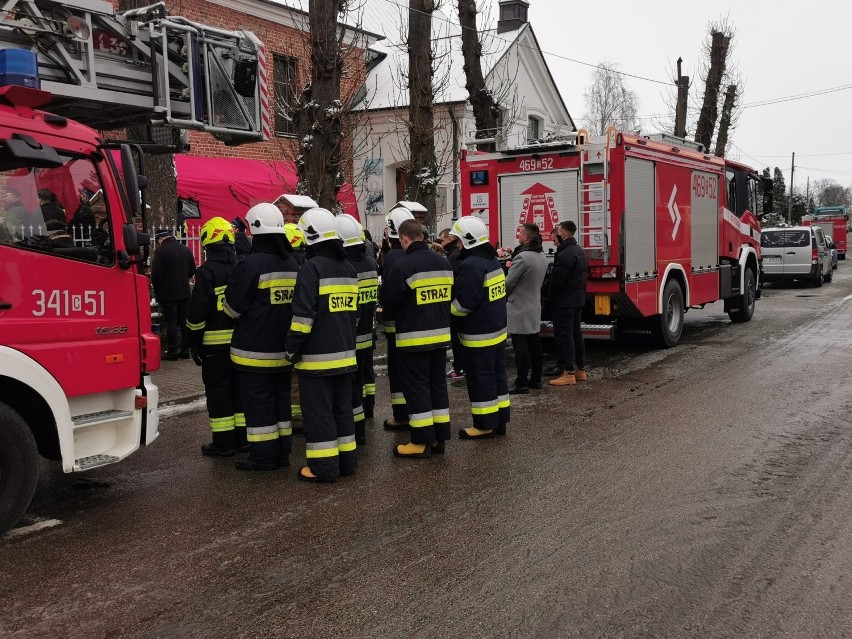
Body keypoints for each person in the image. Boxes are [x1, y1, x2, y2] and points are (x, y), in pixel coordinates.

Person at [223, 203, 300, 471]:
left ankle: (262, 456)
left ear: (255, 229)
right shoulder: (293, 262)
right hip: (285, 350)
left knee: (259, 405)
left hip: (254, 352)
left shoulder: (250, 264)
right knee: (281, 402)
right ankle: (282, 453)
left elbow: (232, 309)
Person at [285, 207, 359, 483]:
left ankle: (324, 467)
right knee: (342, 411)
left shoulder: (311, 269)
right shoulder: (349, 268)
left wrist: (291, 348)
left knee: (319, 414)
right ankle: (347, 462)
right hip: (345, 356)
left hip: (316, 358)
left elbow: (303, 318)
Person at [381, 219, 453, 458]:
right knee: (437, 386)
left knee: (417, 388)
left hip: (413, 339)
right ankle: (439, 437)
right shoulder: (443, 263)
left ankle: (420, 442)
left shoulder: (403, 266)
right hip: (441, 336)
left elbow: (391, 303)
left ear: (403, 239)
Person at [186, 217, 246, 457]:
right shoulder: (242, 267)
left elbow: (196, 315)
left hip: (214, 349)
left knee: (219, 395)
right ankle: (243, 440)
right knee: (239, 393)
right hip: (241, 346)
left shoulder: (206, 273)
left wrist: (194, 344)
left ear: (207, 243)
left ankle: (223, 444)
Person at [449, 217, 510, 439]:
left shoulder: (471, 264)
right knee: (497, 377)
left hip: (479, 335)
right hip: (497, 331)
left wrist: (449, 311)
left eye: (458, 241)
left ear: (467, 240)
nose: (456, 245)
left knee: (480, 379)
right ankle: (500, 420)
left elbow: (466, 302)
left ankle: (484, 425)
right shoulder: (492, 260)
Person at [336, 214, 379, 442]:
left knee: (351, 386)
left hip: (350, 336)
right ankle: (368, 407)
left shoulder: (346, 267)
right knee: (366, 374)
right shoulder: (371, 264)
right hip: (367, 331)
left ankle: (356, 426)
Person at [380, 206, 415, 431]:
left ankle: (401, 415)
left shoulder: (393, 256)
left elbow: (390, 293)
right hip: (415, 323)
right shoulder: (415, 253)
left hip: (395, 326)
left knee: (398, 372)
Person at [506, 223, 548, 394]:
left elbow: (508, 283)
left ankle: (521, 382)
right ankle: (536, 379)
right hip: (534, 305)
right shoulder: (541, 255)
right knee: (534, 343)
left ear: (526, 237)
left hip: (519, 306)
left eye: (521, 233)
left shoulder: (522, 257)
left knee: (520, 347)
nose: (518, 235)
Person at [547, 220, 589, 386]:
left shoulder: (565, 254)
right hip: (577, 300)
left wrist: (548, 296)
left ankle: (568, 372)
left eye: (558, 231)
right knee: (576, 334)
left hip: (565, 302)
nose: (556, 234)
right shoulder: (578, 251)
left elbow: (557, 282)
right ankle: (580, 370)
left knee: (566, 337)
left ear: (563, 234)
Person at [152, 228, 196, 360]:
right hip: (184, 291)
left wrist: (158, 288)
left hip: (168, 293)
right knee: (184, 322)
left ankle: (172, 351)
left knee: (171, 322)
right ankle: (185, 350)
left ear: (160, 239)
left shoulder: (160, 251)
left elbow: (157, 275)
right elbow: (192, 269)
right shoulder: (185, 249)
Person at [439, 227, 465, 380]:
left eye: (442, 240)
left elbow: (451, 281)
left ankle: (459, 367)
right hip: (457, 303)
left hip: (455, 305)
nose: (440, 243)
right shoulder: (453, 254)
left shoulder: (454, 256)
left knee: (457, 338)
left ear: (450, 239)